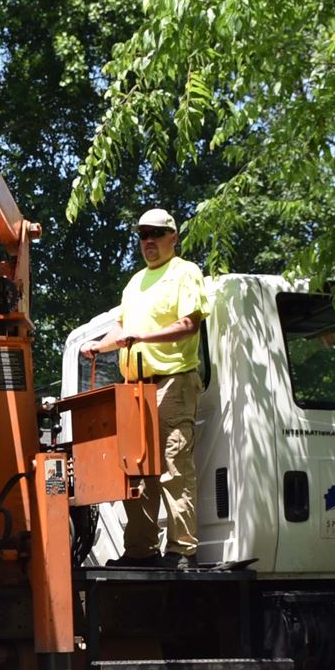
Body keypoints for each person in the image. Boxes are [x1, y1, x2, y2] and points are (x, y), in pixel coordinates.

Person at [81, 207, 212, 563]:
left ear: (174, 237)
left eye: (156, 233)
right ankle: (140, 550)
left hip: (173, 382)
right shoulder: (134, 282)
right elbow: (122, 330)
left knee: (173, 465)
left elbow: (189, 324)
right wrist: (99, 345)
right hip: (135, 389)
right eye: (143, 234)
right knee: (136, 469)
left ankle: (182, 549)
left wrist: (144, 336)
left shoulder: (185, 272)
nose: (149, 241)